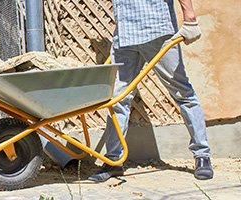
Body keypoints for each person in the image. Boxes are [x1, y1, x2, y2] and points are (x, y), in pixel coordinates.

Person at [88, 0, 213, 182]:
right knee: (116, 100)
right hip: (124, 37)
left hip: (157, 31)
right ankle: (113, 161)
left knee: (183, 93)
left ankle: (202, 155)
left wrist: (190, 17)